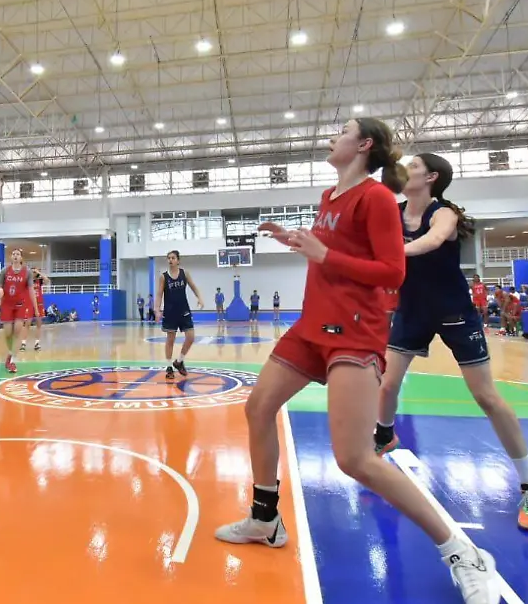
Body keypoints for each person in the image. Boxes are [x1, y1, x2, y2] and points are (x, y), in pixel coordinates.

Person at [214, 118, 501, 604]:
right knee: (257, 407)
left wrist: (324, 254)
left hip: (354, 331)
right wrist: (300, 242)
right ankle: (265, 518)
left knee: (355, 460)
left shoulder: (375, 199)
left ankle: (463, 551)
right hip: (312, 327)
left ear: (363, 145)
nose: (332, 137)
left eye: (341, 131)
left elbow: (391, 270)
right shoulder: (330, 198)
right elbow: (334, 255)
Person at [373, 152, 528, 533]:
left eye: (412, 166)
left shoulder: (444, 213)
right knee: (386, 385)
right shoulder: (393, 211)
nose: (403, 171)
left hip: (454, 311)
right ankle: (384, 435)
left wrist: (387, 254)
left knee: (486, 397)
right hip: (411, 312)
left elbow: (432, 242)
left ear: (431, 177)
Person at [155, 250, 204, 379]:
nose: (170, 260)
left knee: (191, 337)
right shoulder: (163, 277)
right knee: (170, 339)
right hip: (170, 312)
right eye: (168, 258)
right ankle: (169, 367)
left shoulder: (184, 273)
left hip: (184, 310)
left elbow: (193, 287)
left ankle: (179, 361)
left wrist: (199, 297)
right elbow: (159, 294)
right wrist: (157, 309)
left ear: (178, 260)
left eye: (173, 258)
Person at [0, 249, 39, 374]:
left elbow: (31, 291)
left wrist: (36, 308)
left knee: (18, 332)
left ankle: (12, 360)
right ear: (11, 257)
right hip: (7, 305)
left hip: (20, 305)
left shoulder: (27, 272)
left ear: (21, 258)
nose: (15, 256)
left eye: (18, 254)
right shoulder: (5, 271)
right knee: (8, 334)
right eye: (13, 254)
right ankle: (10, 354)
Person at [21, 269, 49, 352]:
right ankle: (23, 343)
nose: (34, 273)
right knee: (27, 324)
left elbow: (47, 281)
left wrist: (39, 272)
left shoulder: (39, 281)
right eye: (32, 271)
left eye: (34, 272)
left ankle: (37, 343)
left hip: (39, 304)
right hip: (29, 304)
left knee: (39, 324)